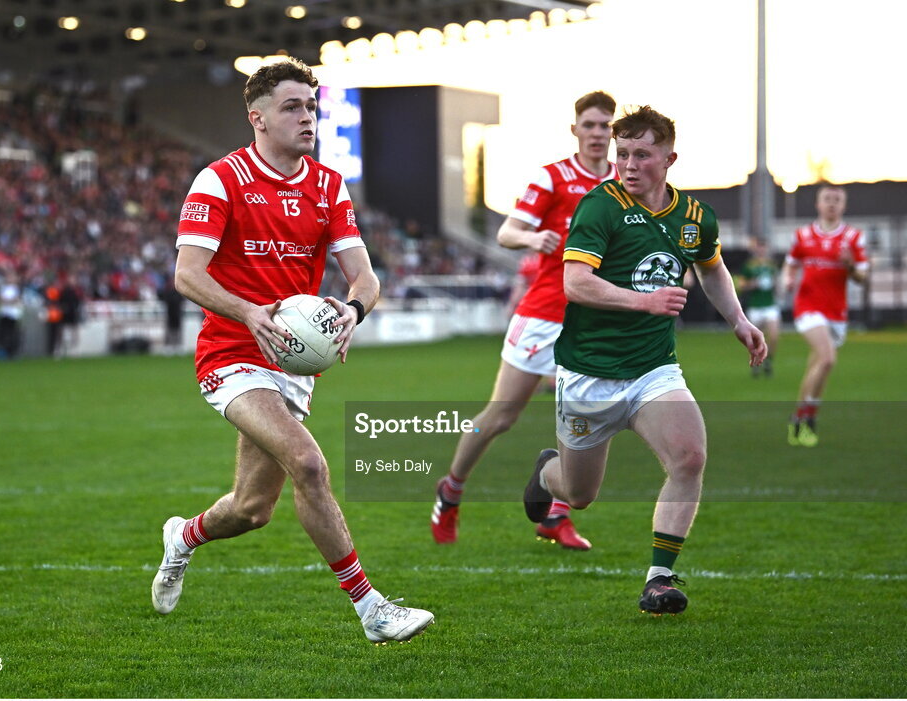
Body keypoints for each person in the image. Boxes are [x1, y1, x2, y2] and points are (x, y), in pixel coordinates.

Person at [151, 58, 433, 644]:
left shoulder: (328, 185)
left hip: (292, 363)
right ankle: (371, 609)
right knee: (308, 462)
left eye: (311, 106)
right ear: (257, 118)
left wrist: (351, 312)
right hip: (231, 354)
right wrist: (250, 312)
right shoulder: (220, 180)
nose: (307, 117)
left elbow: (365, 279)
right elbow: (187, 274)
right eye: (292, 107)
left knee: (252, 510)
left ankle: (184, 537)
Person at [522, 105, 766, 615]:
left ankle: (659, 577)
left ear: (669, 158)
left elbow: (712, 269)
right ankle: (548, 475)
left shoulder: (694, 217)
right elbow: (576, 283)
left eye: (641, 154)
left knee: (690, 456)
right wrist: (644, 300)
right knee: (581, 495)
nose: (628, 165)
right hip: (589, 374)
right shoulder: (600, 206)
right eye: (622, 154)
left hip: (654, 369)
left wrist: (739, 321)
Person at [430, 91, 618, 549]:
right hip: (543, 316)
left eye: (605, 126)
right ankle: (450, 491)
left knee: (583, 412)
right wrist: (537, 237)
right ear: (575, 129)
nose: (597, 134)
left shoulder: (622, 185)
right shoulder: (554, 178)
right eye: (590, 125)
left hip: (591, 322)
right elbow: (506, 231)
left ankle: (553, 514)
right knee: (499, 416)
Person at [780, 184, 868, 447]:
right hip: (807, 307)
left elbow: (862, 277)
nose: (832, 204)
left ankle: (802, 418)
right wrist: (788, 278)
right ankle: (805, 418)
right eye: (827, 199)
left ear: (844, 206)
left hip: (836, 312)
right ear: (818, 204)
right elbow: (791, 262)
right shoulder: (803, 235)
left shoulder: (853, 238)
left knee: (818, 365)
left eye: (837, 200)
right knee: (828, 358)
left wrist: (849, 264)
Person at [737, 237, 780, 377]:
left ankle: (768, 361)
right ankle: (755, 362)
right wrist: (754, 284)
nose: (761, 250)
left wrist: (778, 288)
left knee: (773, 335)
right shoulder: (749, 266)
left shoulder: (771, 265)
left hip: (770, 304)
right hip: (756, 305)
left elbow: (777, 282)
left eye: (763, 247)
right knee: (755, 338)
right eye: (759, 247)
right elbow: (741, 284)